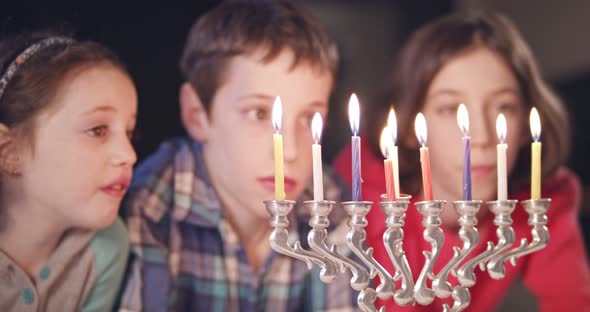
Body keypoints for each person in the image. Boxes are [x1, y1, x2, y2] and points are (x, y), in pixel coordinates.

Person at [333, 10, 590, 311]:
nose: (480, 137)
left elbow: (571, 301)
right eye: (450, 108)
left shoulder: (540, 199)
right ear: (409, 129)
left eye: (503, 107)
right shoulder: (357, 195)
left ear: (525, 125)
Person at [118, 1, 358, 311]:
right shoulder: (150, 207)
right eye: (258, 113)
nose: (291, 152)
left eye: (309, 118)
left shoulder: (330, 206)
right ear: (196, 114)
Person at [0, 33, 137, 311]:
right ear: (9, 151)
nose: (130, 155)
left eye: (130, 133)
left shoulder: (106, 247)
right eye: (97, 130)